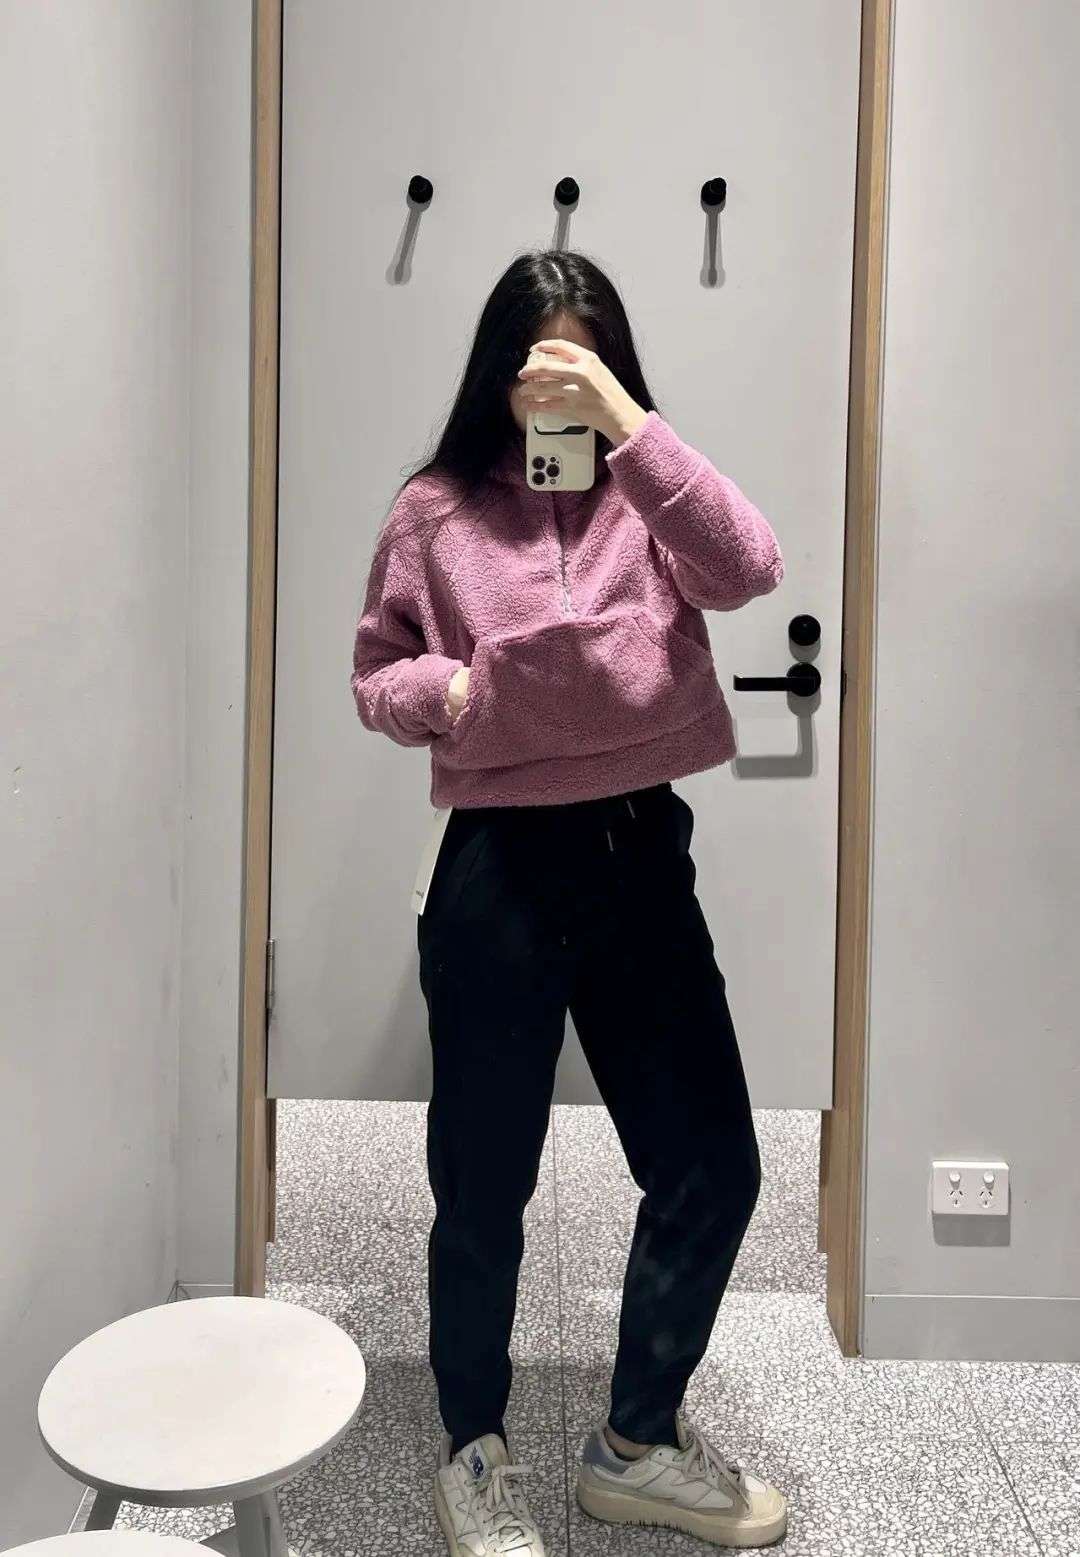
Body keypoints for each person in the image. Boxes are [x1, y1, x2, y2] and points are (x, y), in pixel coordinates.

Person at [351, 248, 789, 1554]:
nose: (556, 397)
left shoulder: (652, 492)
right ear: (496, 373)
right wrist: (450, 694)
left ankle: (635, 1444)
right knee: (483, 1182)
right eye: (538, 370)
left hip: (637, 851)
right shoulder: (435, 511)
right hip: (496, 867)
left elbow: (749, 568)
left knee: (712, 1162)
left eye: (581, 370)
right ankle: (473, 1448)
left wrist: (631, 430)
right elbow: (375, 674)